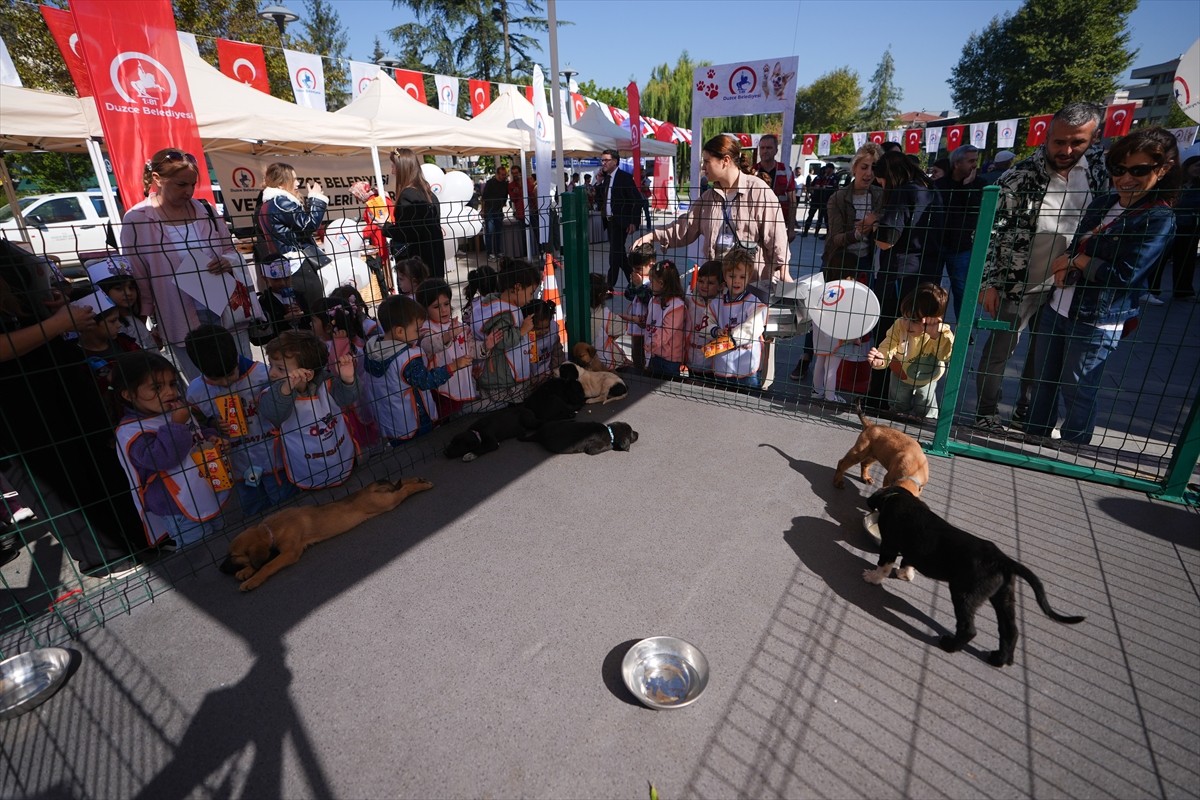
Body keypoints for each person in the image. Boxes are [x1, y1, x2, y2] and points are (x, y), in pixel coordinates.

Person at [1025, 127, 1178, 445]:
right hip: (1059, 306)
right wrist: (1067, 259)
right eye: (1119, 170)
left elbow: (1126, 274)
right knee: (1042, 381)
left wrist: (1079, 262)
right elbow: (1079, 241)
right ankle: (1033, 437)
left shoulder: (1159, 219)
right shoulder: (1105, 202)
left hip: (1098, 317)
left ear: (1162, 170)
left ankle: (1071, 450)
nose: (1126, 179)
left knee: (1078, 389)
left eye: (1139, 170)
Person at [0, 242, 145, 576]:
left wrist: (49, 313)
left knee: (94, 458)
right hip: (17, 405)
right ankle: (105, 556)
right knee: (56, 480)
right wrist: (55, 324)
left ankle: (136, 537)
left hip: (54, 380)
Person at [975, 102, 1109, 432]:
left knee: (1044, 358)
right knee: (1000, 353)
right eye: (1058, 141)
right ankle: (986, 413)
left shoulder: (1099, 173)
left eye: (1077, 142)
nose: (1066, 150)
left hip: (1068, 286)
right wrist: (988, 281)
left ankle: (1029, 412)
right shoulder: (1017, 178)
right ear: (1046, 136)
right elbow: (993, 230)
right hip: (1017, 283)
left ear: (1094, 138)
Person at [121, 147, 252, 381]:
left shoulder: (207, 211)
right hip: (178, 315)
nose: (189, 191)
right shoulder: (137, 219)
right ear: (157, 179)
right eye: (181, 185)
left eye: (193, 184)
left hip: (224, 309)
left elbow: (230, 251)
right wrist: (144, 320)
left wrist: (227, 261)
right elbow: (139, 276)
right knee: (203, 384)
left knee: (242, 375)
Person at [634, 134, 792, 292]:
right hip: (717, 288)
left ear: (725, 161)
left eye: (707, 161)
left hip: (749, 287)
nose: (703, 168)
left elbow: (776, 236)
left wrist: (783, 269)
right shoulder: (708, 198)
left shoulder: (759, 191)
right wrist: (652, 236)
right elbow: (685, 227)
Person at [111, 351, 230, 549]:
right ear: (129, 394)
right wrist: (177, 424)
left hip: (203, 489)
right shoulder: (131, 431)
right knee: (200, 552)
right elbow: (162, 458)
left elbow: (196, 430)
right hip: (176, 506)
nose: (170, 392)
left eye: (172, 384)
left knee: (221, 538)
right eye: (157, 387)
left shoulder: (174, 410)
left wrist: (211, 438)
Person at [184, 324, 294, 517]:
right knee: (254, 511)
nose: (226, 383)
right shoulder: (196, 392)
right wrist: (214, 425)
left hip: (274, 457)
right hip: (238, 466)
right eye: (217, 380)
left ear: (236, 357)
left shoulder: (262, 374)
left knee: (287, 506)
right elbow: (199, 427)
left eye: (230, 374)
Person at [866, 149, 944, 408]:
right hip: (928, 275)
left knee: (889, 334)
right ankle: (915, 402)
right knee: (916, 341)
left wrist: (874, 226)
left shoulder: (902, 193)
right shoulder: (932, 191)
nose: (881, 186)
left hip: (898, 275)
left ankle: (877, 398)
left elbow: (886, 242)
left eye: (882, 181)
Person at [258, 329, 358, 490]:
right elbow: (272, 413)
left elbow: (347, 398)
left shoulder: (327, 384)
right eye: (271, 366)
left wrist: (347, 380)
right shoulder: (272, 392)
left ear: (308, 374)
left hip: (339, 456)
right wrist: (286, 389)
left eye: (281, 369)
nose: (272, 374)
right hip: (305, 466)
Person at [365, 295, 471, 444]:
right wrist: (453, 366)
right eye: (416, 330)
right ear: (400, 332)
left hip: (391, 419)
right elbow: (426, 381)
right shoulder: (406, 359)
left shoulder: (372, 349)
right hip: (415, 419)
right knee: (424, 451)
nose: (419, 333)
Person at [867, 283, 955, 419]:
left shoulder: (942, 332)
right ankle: (897, 428)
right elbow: (888, 345)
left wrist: (935, 336)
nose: (907, 323)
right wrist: (881, 358)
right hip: (900, 374)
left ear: (933, 319)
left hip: (927, 378)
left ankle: (926, 426)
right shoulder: (899, 325)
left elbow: (946, 356)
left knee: (925, 409)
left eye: (914, 320)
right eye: (905, 317)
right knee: (898, 406)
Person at [254, 161, 328, 310]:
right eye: (293, 179)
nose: (297, 183)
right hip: (297, 264)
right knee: (316, 310)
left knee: (302, 311)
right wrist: (316, 199)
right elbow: (309, 225)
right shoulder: (280, 201)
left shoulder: (267, 204)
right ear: (281, 184)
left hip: (287, 264)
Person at [471, 258, 541, 403]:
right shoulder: (503, 313)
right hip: (499, 376)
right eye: (530, 293)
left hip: (499, 374)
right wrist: (522, 330)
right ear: (517, 288)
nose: (531, 298)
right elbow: (502, 340)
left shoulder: (497, 303)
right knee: (507, 403)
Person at [933, 144, 987, 321]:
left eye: (976, 161)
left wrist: (967, 187)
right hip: (937, 244)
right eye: (970, 161)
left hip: (962, 247)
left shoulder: (980, 185)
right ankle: (930, 327)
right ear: (956, 163)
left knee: (962, 290)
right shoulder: (939, 185)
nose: (974, 165)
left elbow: (977, 210)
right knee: (932, 289)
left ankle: (964, 330)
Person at [416, 278, 478, 418]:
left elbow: (471, 348)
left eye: (446, 304)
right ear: (424, 309)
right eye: (436, 307)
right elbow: (429, 344)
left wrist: (487, 345)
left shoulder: (457, 325)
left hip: (462, 380)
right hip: (441, 387)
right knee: (446, 417)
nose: (444, 309)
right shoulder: (425, 328)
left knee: (460, 415)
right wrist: (447, 336)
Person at [708, 247, 767, 389]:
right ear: (724, 275)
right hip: (723, 362)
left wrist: (733, 338)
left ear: (749, 277)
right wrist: (715, 330)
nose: (737, 281)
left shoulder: (753, 301)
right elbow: (707, 320)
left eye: (742, 277)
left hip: (746, 363)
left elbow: (755, 325)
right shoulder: (717, 301)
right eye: (732, 276)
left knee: (748, 400)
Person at [382, 147, 445, 280]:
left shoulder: (408, 195)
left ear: (402, 168)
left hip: (418, 265)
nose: (392, 171)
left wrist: (385, 227)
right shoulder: (428, 193)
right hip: (434, 258)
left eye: (394, 166)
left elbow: (407, 232)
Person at [86, 255, 158, 352]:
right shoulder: (113, 326)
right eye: (119, 289)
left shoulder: (133, 318)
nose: (128, 293)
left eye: (131, 288)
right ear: (102, 291)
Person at [596, 148, 643, 290]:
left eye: (606, 160)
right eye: (602, 160)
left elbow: (637, 200)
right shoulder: (606, 179)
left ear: (615, 162)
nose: (603, 163)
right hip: (609, 222)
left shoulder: (624, 177)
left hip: (621, 222)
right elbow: (600, 200)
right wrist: (598, 182)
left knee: (614, 254)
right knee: (619, 253)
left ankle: (609, 285)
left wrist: (634, 222)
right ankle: (634, 280)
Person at [349, 180, 394, 297]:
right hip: (382, 237)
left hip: (383, 239)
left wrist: (360, 233)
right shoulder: (377, 198)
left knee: (387, 271)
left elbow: (377, 224)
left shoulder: (374, 202)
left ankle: (390, 292)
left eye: (356, 195)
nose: (357, 198)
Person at [643, 260, 687, 378]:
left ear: (661, 283)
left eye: (652, 282)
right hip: (654, 354)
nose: (649, 284)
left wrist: (653, 344)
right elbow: (650, 319)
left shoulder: (677, 306)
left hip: (669, 360)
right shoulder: (654, 300)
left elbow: (667, 331)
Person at [1166, 155, 1200, 300]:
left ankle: (1183, 291)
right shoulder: (1174, 182)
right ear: (1188, 166)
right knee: (1159, 259)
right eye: (1198, 166)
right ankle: (1150, 290)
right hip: (1168, 224)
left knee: (1186, 259)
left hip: (1189, 226)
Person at [754, 134, 798, 242]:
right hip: (755, 225)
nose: (765, 151)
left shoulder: (786, 171)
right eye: (762, 148)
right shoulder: (752, 171)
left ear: (776, 150)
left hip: (779, 223)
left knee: (778, 257)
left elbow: (792, 201)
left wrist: (791, 229)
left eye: (769, 148)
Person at [617, 244, 654, 372]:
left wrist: (639, 287)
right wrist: (633, 285)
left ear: (651, 264)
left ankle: (646, 373)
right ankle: (638, 372)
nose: (635, 271)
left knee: (648, 354)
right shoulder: (637, 277)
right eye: (634, 269)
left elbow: (650, 300)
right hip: (635, 325)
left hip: (649, 325)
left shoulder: (654, 281)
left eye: (638, 268)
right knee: (636, 353)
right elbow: (628, 295)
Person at [685, 260, 724, 379]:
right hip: (689, 360)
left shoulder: (723, 305)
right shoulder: (690, 300)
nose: (704, 286)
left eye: (710, 283)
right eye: (701, 281)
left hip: (712, 365)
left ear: (721, 286)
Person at [588, 273, 631, 370]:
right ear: (601, 296)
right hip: (605, 362)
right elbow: (621, 328)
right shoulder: (604, 313)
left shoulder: (577, 312)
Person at [480, 165, 509, 261]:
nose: (504, 176)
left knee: (498, 233)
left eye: (505, 175)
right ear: (497, 174)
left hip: (498, 210)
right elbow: (484, 198)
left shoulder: (505, 184)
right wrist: (483, 210)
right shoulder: (490, 183)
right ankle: (490, 253)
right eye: (502, 174)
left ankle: (498, 251)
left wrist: (502, 204)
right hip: (490, 210)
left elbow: (505, 196)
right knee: (489, 232)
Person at [802, 164, 837, 238]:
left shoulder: (833, 177)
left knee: (823, 217)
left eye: (826, 170)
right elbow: (811, 186)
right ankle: (805, 231)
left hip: (825, 200)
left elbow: (835, 188)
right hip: (815, 199)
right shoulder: (818, 178)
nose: (824, 172)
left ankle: (819, 233)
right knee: (810, 215)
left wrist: (825, 188)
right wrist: (814, 189)